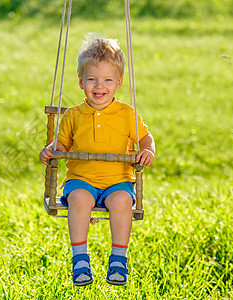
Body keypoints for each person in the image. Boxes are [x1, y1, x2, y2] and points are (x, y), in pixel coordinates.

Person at [40, 33, 155, 286]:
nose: (99, 86)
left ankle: (118, 258)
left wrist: (148, 151)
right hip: (81, 179)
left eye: (107, 80)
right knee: (80, 199)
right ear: (81, 81)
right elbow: (62, 144)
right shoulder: (73, 114)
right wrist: (51, 149)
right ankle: (80, 258)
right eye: (92, 79)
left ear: (119, 82)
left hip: (118, 182)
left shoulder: (126, 114)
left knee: (124, 201)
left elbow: (146, 138)